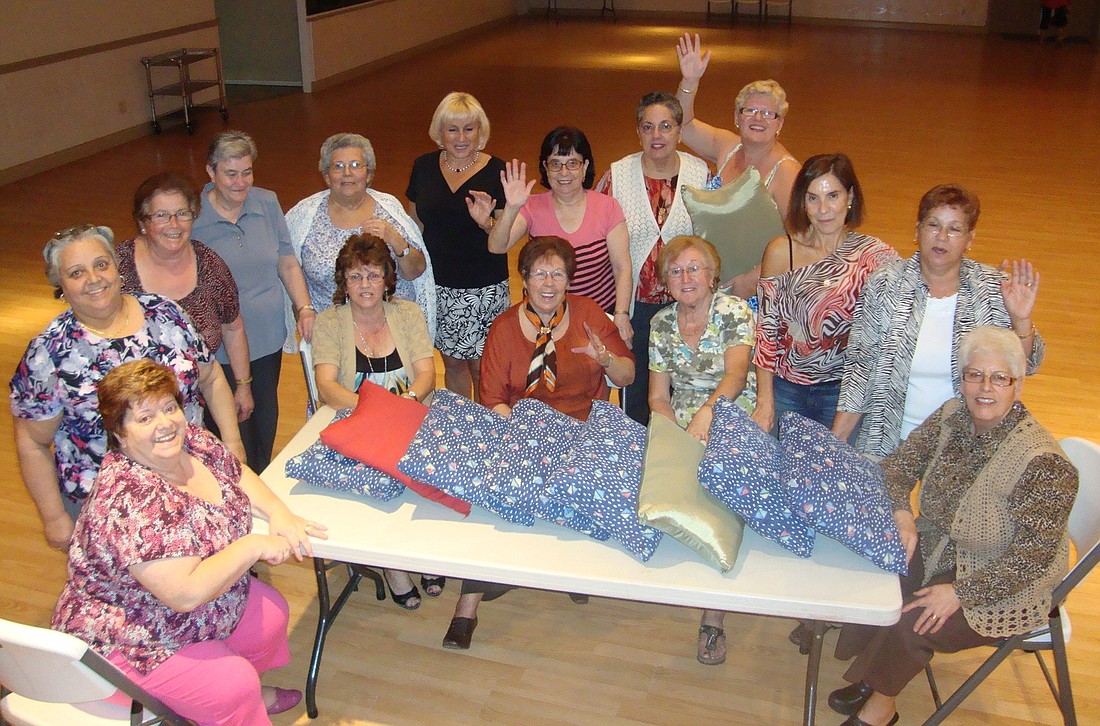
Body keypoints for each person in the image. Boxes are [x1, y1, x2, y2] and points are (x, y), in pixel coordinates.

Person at [52, 359, 329, 725]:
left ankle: (233, 702)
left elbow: (236, 473)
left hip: (183, 608)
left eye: (169, 408)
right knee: (233, 684)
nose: (165, 424)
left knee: (271, 613)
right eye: (145, 418)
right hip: (130, 637)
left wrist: (279, 511)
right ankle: (232, 704)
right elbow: (184, 594)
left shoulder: (191, 441)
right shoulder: (128, 500)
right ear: (119, 433)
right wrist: (252, 547)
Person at [826, 326, 1077, 726]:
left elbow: (1029, 559)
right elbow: (896, 469)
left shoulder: (1043, 464)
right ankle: (873, 677)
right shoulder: (952, 416)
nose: (985, 388)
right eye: (974, 375)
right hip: (944, 546)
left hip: (1005, 581)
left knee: (917, 620)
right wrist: (902, 515)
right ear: (961, 380)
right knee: (880, 577)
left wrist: (959, 592)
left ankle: (880, 709)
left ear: (1019, 384)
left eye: (1000, 378)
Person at [442, 236, 634, 649]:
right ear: (524, 279)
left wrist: (605, 358)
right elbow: (492, 397)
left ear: (569, 279)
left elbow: (627, 377)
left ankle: (572, 566)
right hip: (523, 427)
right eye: (539, 273)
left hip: (582, 426)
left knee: (585, 480)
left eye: (558, 274)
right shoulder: (504, 327)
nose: (549, 283)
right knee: (495, 493)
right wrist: (524, 439)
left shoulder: (588, 314)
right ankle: (468, 604)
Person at [10, 224, 241, 551]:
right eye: (77, 272)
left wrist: (232, 443)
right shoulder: (49, 353)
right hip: (111, 511)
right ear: (60, 285)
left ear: (118, 268)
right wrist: (54, 516)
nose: (94, 278)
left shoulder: (165, 313)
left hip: (192, 480)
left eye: (101, 264)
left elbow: (212, 377)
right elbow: (32, 442)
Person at [833, 184, 1044, 461]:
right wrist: (836, 441)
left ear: (970, 239)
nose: (942, 237)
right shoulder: (885, 284)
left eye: (955, 229)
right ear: (917, 230)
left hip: (962, 445)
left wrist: (1020, 319)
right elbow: (860, 369)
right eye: (933, 225)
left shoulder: (991, 289)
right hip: (886, 439)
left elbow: (1027, 366)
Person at [311, 234, 441, 607]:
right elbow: (326, 386)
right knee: (377, 476)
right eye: (355, 277)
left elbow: (426, 375)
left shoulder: (407, 314)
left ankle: (422, 549)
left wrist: (406, 404)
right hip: (356, 420)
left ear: (387, 278)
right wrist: (374, 414)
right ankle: (390, 564)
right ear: (344, 282)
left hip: (411, 413)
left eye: (373, 275)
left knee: (425, 472)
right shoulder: (329, 322)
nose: (365, 285)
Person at [646, 236, 755, 666]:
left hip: (730, 412)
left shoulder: (733, 312)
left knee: (718, 502)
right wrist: (672, 435)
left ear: (713, 277)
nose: (686, 277)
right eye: (676, 270)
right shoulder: (660, 324)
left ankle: (714, 614)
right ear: (665, 281)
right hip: (682, 419)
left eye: (695, 269)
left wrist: (706, 417)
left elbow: (738, 374)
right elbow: (657, 396)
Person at [192, 130, 315, 474]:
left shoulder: (267, 202)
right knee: (228, 426)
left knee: (264, 418)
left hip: (266, 335)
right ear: (210, 172)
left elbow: (287, 260)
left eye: (247, 172)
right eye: (231, 173)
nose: (240, 182)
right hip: (218, 343)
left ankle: (261, 480)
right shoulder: (193, 216)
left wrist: (304, 307)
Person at [753, 154, 898, 437]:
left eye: (833, 195)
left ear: (850, 197)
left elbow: (919, 286)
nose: (823, 209)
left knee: (835, 476)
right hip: (787, 390)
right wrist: (764, 399)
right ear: (802, 202)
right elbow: (766, 330)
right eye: (813, 198)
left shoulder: (874, 256)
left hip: (843, 396)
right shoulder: (782, 251)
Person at [597, 91, 709, 424]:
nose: (656, 136)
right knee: (639, 390)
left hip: (686, 302)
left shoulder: (700, 172)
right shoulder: (618, 175)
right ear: (638, 131)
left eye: (665, 126)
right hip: (636, 305)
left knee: (685, 386)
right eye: (648, 127)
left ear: (679, 130)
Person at [472, 127, 633, 342]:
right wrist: (511, 207)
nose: (564, 173)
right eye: (555, 164)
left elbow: (622, 268)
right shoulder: (532, 206)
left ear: (585, 167)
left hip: (597, 316)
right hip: (544, 319)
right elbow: (497, 247)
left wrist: (621, 315)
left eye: (572, 163)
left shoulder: (607, 207)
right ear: (545, 168)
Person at [118, 171, 254, 424]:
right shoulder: (118, 271)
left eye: (182, 214)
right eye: (161, 216)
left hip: (194, 408)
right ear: (142, 222)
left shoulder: (210, 266)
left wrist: (243, 385)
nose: (174, 225)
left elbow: (233, 329)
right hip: (129, 412)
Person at [406, 92, 508, 400]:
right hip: (438, 285)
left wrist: (486, 222)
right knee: (452, 364)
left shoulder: (497, 171)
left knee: (483, 366)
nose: (461, 137)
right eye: (452, 129)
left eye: (469, 129)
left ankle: (487, 424)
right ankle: (461, 422)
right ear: (440, 132)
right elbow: (414, 224)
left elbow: (502, 238)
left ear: (481, 131)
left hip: (483, 289)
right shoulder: (423, 166)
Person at [287, 132, 436, 339]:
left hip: (394, 331)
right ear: (326, 175)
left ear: (369, 174)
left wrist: (395, 239)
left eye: (356, 165)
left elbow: (416, 271)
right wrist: (304, 310)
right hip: (333, 335)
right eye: (338, 166)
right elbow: (288, 270)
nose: (347, 173)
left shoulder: (389, 209)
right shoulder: (303, 216)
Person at [675, 33, 799, 217]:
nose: (758, 118)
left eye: (767, 113)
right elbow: (682, 125)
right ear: (736, 118)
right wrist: (690, 82)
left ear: (779, 123)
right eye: (749, 111)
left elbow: (797, 236)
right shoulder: (728, 145)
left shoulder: (787, 172)